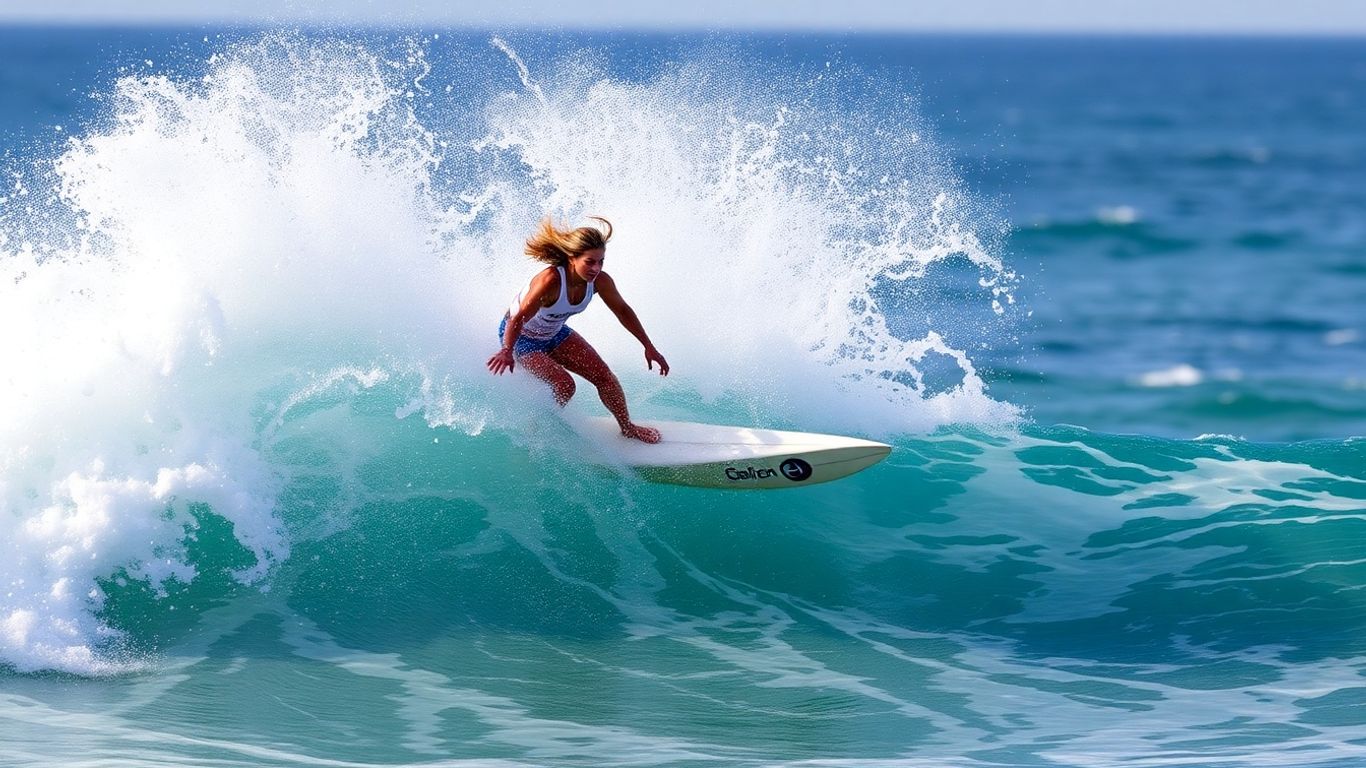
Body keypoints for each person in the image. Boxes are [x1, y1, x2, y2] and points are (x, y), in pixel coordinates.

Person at [487, 216, 668, 443]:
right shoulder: (550, 281)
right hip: (522, 337)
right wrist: (506, 350)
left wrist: (648, 346)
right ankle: (538, 428)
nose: (596, 268)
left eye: (601, 261)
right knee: (565, 384)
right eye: (589, 262)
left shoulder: (600, 281)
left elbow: (623, 311)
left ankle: (628, 428)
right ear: (572, 258)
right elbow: (518, 318)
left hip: (554, 332)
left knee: (605, 378)